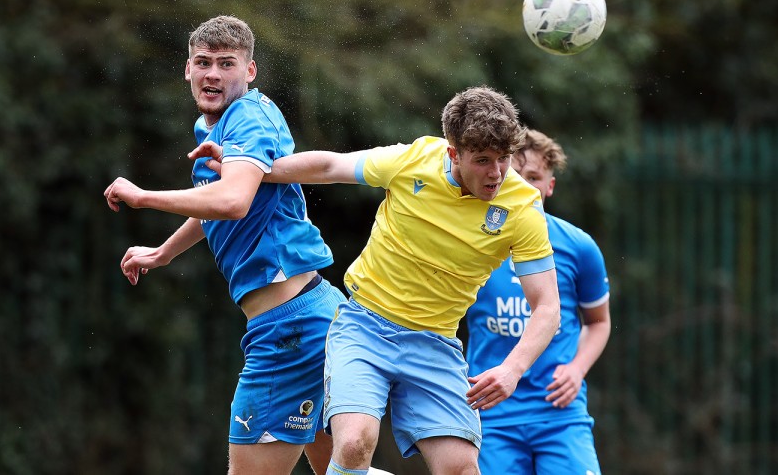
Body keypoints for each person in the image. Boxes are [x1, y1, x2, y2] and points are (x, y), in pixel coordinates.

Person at [190, 86, 561, 475]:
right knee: (353, 444)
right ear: (453, 153)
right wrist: (248, 168)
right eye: (483, 160)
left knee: (461, 469)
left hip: (436, 343)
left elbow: (547, 307)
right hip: (364, 328)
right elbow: (330, 167)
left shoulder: (521, 206)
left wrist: (513, 368)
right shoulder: (415, 160)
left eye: (503, 160)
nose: (497, 173)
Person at [103, 15, 346, 475]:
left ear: (249, 72)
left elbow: (233, 201)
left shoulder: (248, 118)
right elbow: (217, 202)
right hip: (313, 314)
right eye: (204, 62)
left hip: (288, 332)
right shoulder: (213, 126)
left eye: (227, 63)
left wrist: (142, 197)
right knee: (339, 471)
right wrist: (164, 252)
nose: (213, 73)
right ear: (188, 70)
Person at [464, 129, 611, 475]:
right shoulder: (472, 241)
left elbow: (599, 322)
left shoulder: (579, 246)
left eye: (534, 178)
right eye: (516, 175)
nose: (524, 186)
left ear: (550, 186)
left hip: (559, 412)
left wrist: (577, 369)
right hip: (492, 412)